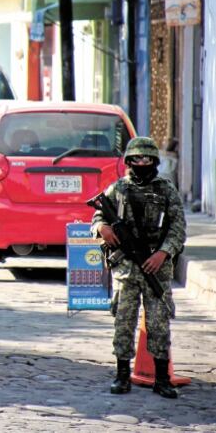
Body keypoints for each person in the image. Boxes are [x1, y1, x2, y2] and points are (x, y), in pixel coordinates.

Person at [92, 136, 185, 399]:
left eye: (146, 159)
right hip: (126, 269)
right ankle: (122, 375)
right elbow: (98, 215)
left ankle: (162, 378)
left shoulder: (166, 190)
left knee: (158, 324)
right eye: (136, 159)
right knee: (123, 322)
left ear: (154, 161)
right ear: (129, 161)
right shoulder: (117, 190)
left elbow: (178, 227)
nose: (141, 163)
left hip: (156, 267)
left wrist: (163, 254)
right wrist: (102, 228)